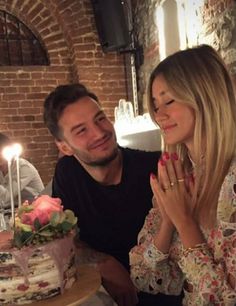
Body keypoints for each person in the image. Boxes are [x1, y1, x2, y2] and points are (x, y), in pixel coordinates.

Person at [43, 83, 183, 306]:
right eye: (81, 130)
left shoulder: (156, 168)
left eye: (100, 118)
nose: (100, 132)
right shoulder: (68, 173)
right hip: (106, 293)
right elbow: (65, 239)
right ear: (65, 147)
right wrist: (103, 263)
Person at [129, 44, 236, 305]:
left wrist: (184, 222)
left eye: (168, 101)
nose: (158, 115)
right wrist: (168, 221)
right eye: (155, 105)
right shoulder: (179, 174)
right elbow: (143, 277)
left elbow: (223, 300)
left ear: (205, 96)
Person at [0, 133, 44, 208]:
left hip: (35, 209)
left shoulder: (23, 167)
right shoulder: (2, 167)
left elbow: (6, 197)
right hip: (13, 209)